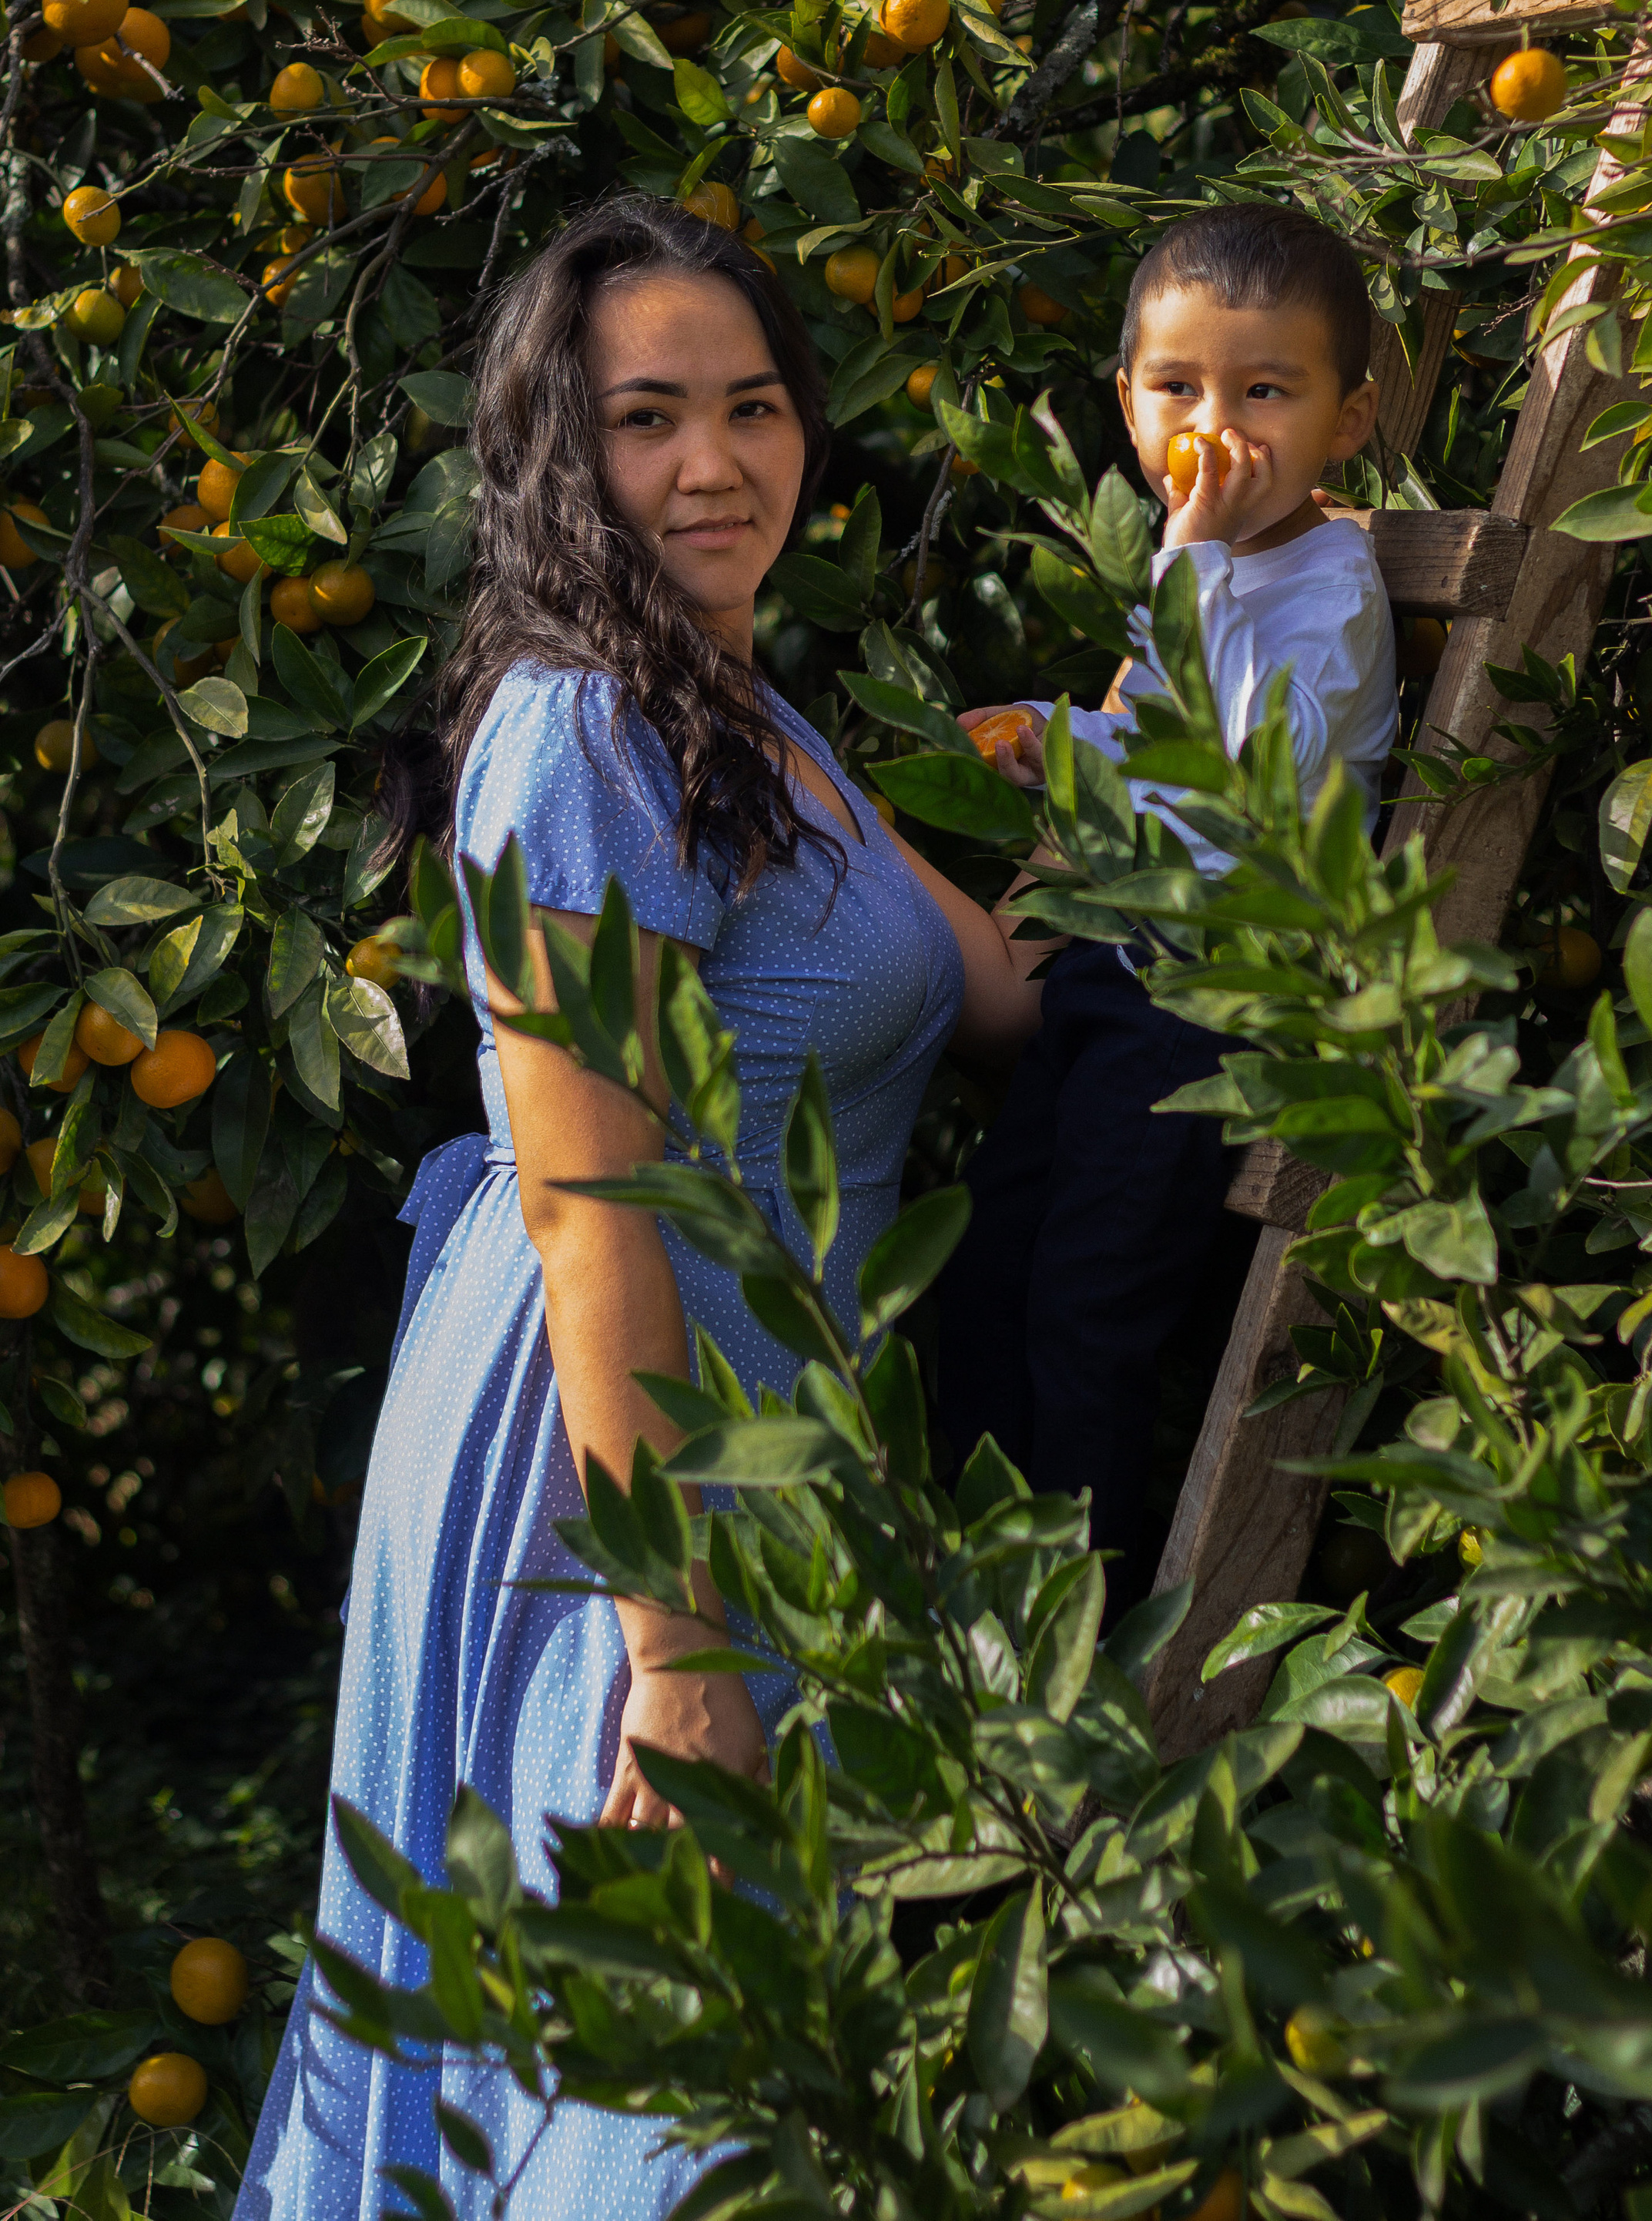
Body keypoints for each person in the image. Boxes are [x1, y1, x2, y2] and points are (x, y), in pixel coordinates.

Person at [240, 196, 1044, 2221]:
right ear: (557, 457)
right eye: (648, 418)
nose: (713, 464)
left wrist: (1237, 695)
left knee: (721, 2071)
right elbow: (593, 1207)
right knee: (657, 2099)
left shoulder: (745, 716)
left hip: (774, 1439)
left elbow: (1011, 993)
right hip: (625, 1468)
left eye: (754, 407)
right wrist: (675, 1652)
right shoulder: (585, 729)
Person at [935, 201, 1396, 1612]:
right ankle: (970, 1595)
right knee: (981, 1270)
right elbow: (1152, 763)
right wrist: (1053, 744)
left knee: (1094, 1307)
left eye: (1267, 392)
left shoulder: (1331, 588)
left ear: (1349, 418)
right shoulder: (1212, 575)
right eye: (1180, 389)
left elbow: (1253, 781)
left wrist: (1185, 563)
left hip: (1207, 1013)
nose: (1220, 428)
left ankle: (1081, 1618)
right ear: (1127, 407)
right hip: (1112, 978)